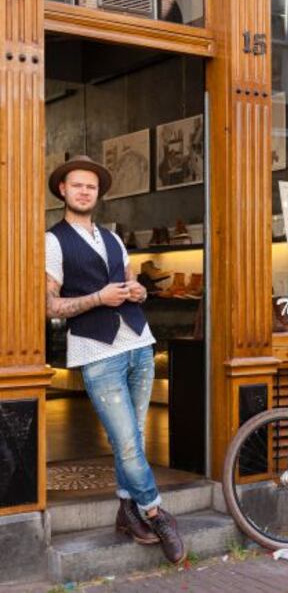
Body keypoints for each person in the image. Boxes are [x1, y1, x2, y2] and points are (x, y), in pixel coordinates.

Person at [45, 155, 185, 565]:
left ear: (98, 193)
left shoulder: (113, 238)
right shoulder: (53, 241)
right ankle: (157, 513)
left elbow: (128, 283)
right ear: (63, 191)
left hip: (139, 343)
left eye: (91, 186)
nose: (85, 191)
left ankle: (126, 512)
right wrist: (97, 299)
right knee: (124, 443)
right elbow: (49, 305)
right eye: (77, 185)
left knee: (134, 440)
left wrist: (138, 292)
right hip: (97, 352)